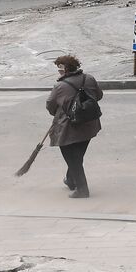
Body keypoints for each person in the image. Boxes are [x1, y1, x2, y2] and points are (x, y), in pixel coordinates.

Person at [46, 54, 104, 199]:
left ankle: (82, 189)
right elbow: (99, 95)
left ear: (64, 70)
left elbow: (50, 106)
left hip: (69, 127)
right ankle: (71, 180)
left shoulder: (60, 86)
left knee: (73, 158)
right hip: (90, 123)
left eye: (59, 69)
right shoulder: (89, 78)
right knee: (78, 155)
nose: (58, 72)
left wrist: (61, 110)